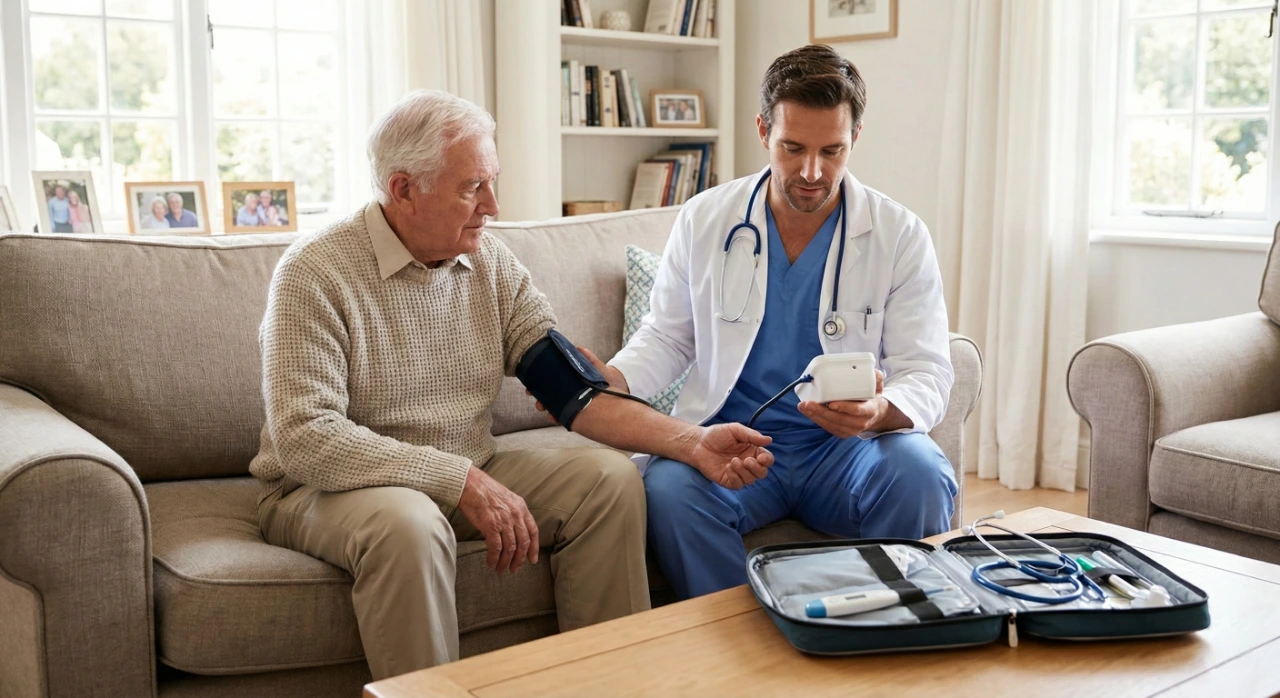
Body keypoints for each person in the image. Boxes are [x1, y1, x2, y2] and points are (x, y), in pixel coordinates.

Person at [250, 89, 774, 680]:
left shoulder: (491, 265)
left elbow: (573, 392)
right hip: (326, 488)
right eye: (472, 186)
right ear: (403, 190)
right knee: (409, 524)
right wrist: (455, 478)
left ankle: (611, 688)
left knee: (608, 480)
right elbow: (305, 437)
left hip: (466, 466)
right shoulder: (313, 273)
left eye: (492, 181)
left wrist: (691, 443)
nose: (494, 205)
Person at [602, 45, 957, 600]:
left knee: (921, 470)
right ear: (763, 129)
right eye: (792, 148)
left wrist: (877, 414)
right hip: (735, 440)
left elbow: (928, 369)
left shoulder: (899, 234)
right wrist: (608, 383)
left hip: (846, 452)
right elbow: (669, 336)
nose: (812, 172)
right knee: (670, 488)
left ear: (855, 138)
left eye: (832, 151)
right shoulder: (706, 218)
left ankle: (894, 627)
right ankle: (738, 651)